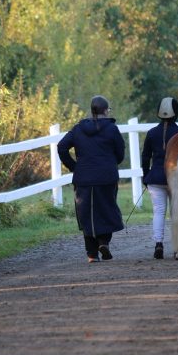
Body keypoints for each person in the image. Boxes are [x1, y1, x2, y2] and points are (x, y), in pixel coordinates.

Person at [58, 95, 126, 263]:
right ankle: (104, 242)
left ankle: (91, 254)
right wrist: (110, 163)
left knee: (85, 213)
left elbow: (61, 147)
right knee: (107, 209)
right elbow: (120, 153)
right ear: (105, 110)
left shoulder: (78, 128)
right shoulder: (112, 129)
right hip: (106, 176)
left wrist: (74, 166)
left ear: (92, 110)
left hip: (84, 178)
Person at [140, 97, 178, 259]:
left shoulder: (151, 133)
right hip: (176, 179)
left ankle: (158, 244)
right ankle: (177, 246)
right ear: (176, 113)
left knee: (158, 212)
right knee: (176, 212)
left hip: (155, 178)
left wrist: (145, 176)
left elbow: (145, 157)